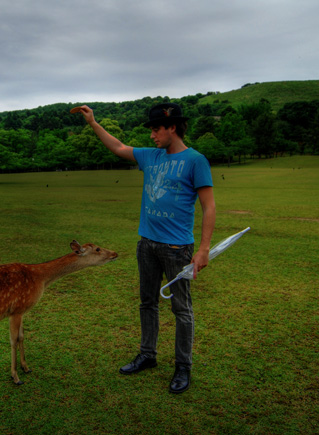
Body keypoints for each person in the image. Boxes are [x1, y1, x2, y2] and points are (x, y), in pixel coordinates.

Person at [74, 102, 215, 394]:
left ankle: (182, 367)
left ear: (171, 127)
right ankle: (147, 355)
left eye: (155, 129)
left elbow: (208, 206)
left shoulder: (195, 161)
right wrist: (93, 123)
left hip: (177, 249)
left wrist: (203, 249)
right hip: (147, 244)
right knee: (147, 302)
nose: (152, 135)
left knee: (181, 309)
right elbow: (118, 147)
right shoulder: (151, 156)